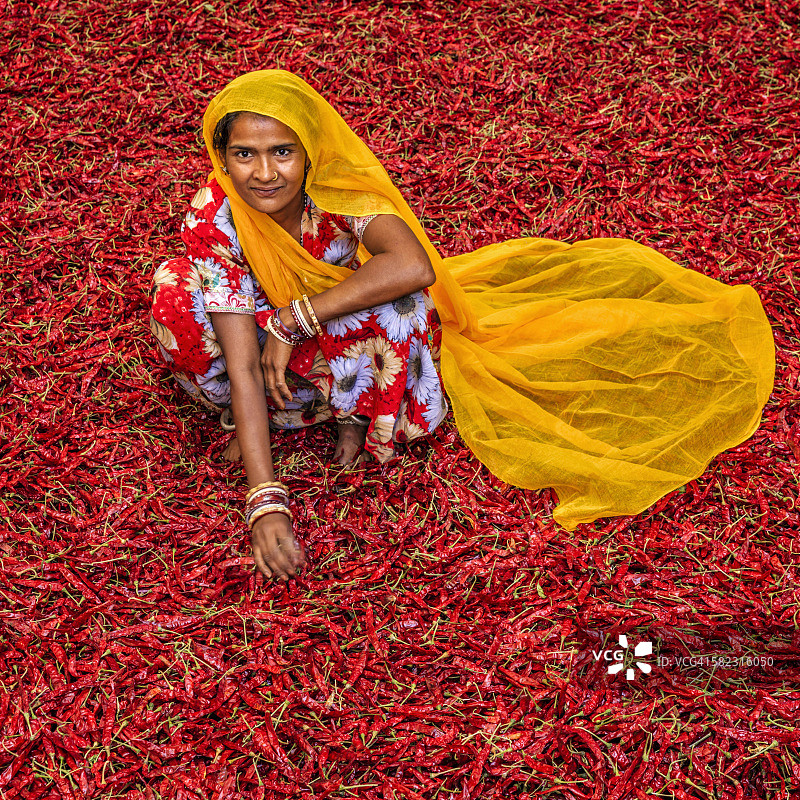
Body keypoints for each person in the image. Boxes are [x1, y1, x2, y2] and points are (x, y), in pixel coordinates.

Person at [151, 70, 775, 582]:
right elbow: (239, 358)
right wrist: (266, 499)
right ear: (222, 157)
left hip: (321, 330)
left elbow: (413, 264)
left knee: (403, 304)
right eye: (245, 154)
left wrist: (298, 317)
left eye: (282, 152)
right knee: (176, 296)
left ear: (308, 152)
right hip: (259, 344)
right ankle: (273, 415)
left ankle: (352, 409)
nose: (265, 173)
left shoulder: (333, 187)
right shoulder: (217, 216)